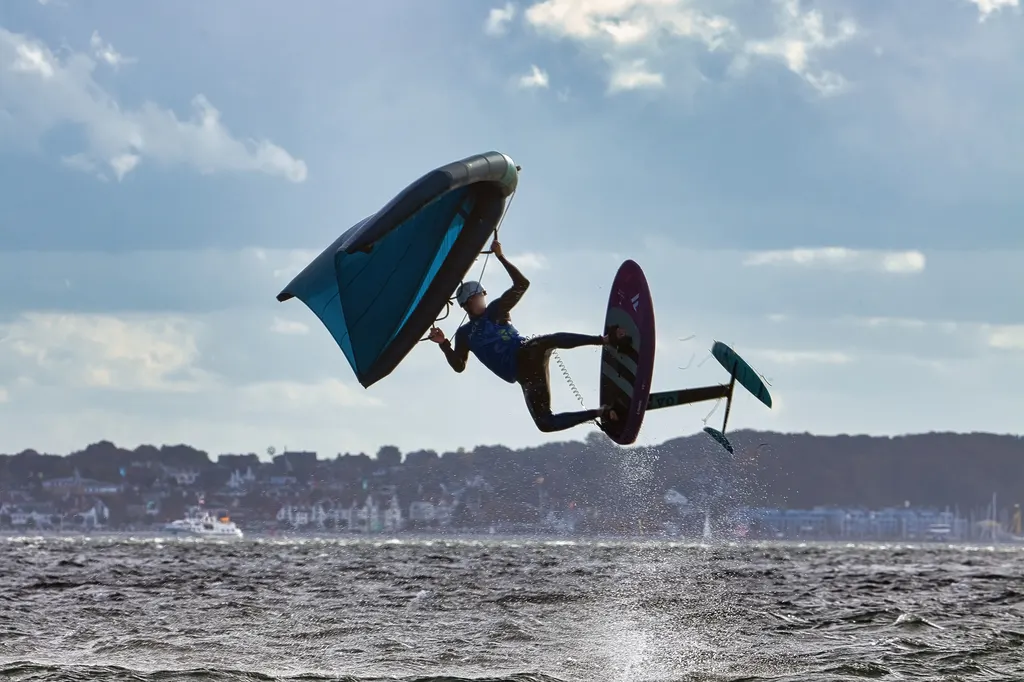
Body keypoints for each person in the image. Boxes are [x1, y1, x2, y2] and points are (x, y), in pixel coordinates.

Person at [428, 238, 630, 433]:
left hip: (526, 351)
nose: (483, 299)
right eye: (480, 296)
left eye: (482, 295)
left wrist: (501, 257)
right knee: (545, 423)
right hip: (523, 377)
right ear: (469, 302)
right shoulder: (464, 334)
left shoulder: (496, 309)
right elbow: (459, 366)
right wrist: (443, 343)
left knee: (547, 341)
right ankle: (602, 412)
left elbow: (522, 284)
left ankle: (606, 340)